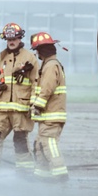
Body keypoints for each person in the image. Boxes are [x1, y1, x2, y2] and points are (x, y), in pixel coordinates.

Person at [0, 22, 39, 174]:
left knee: (19, 141)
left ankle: (25, 173)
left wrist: (33, 104)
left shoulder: (29, 58)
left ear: (20, 38)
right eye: (8, 40)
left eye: (14, 39)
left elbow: (36, 83)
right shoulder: (1, 57)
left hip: (20, 110)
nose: (11, 42)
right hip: (1, 108)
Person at [28, 32, 69, 182]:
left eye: (37, 50)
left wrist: (37, 106)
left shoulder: (51, 66)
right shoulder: (48, 65)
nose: (36, 53)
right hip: (47, 116)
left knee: (49, 143)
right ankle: (41, 179)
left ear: (42, 50)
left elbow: (47, 88)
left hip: (52, 115)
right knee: (40, 145)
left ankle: (60, 175)